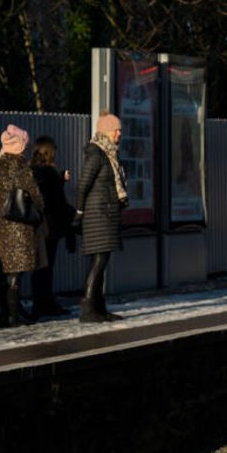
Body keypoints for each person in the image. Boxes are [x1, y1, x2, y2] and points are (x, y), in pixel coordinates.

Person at [0, 124, 45, 328]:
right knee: (16, 272)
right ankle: (14, 317)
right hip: (20, 225)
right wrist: (39, 208)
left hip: (0, 225)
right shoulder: (21, 168)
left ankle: (4, 314)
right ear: (19, 147)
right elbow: (36, 195)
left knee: (4, 269)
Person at [77, 112, 128, 323]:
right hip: (97, 215)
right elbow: (83, 185)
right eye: (116, 130)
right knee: (99, 261)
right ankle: (88, 308)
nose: (119, 134)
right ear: (106, 131)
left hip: (105, 214)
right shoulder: (97, 154)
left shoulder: (109, 154)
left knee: (101, 261)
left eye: (119, 130)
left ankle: (99, 308)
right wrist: (79, 212)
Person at [30, 136, 77, 317]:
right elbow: (56, 200)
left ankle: (40, 303)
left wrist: (60, 179)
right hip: (50, 226)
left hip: (38, 225)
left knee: (40, 266)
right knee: (46, 266)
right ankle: (45, 303)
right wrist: (73, 216)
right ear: (49, 152)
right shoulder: (48, 172)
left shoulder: (33, 170)